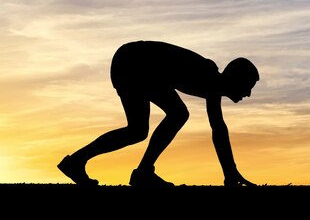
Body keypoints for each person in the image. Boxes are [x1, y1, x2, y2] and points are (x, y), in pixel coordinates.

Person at [57, 40, 260, 187]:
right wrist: (230, 173)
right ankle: (142, 173)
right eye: (248, 86)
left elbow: (218, 129)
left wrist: (230, 173)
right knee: (175, 115)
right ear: (236, 78)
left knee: (139, 129)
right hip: (133, 62)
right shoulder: (209, 77)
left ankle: (77, 162)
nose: (248, 93)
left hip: (135, 63)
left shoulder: (211, 81)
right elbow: (218, 129)